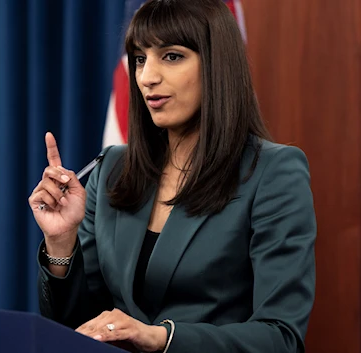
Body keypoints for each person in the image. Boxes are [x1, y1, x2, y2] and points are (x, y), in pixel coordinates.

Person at [28, 0, 316, 352]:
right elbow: (75, 326)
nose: (148, 76)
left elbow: (280, 337)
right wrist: (61, 244)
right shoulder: (113, 169)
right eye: (140, 58)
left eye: (172, 56)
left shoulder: (273, 172)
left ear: (216, 64)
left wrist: (162, 337)